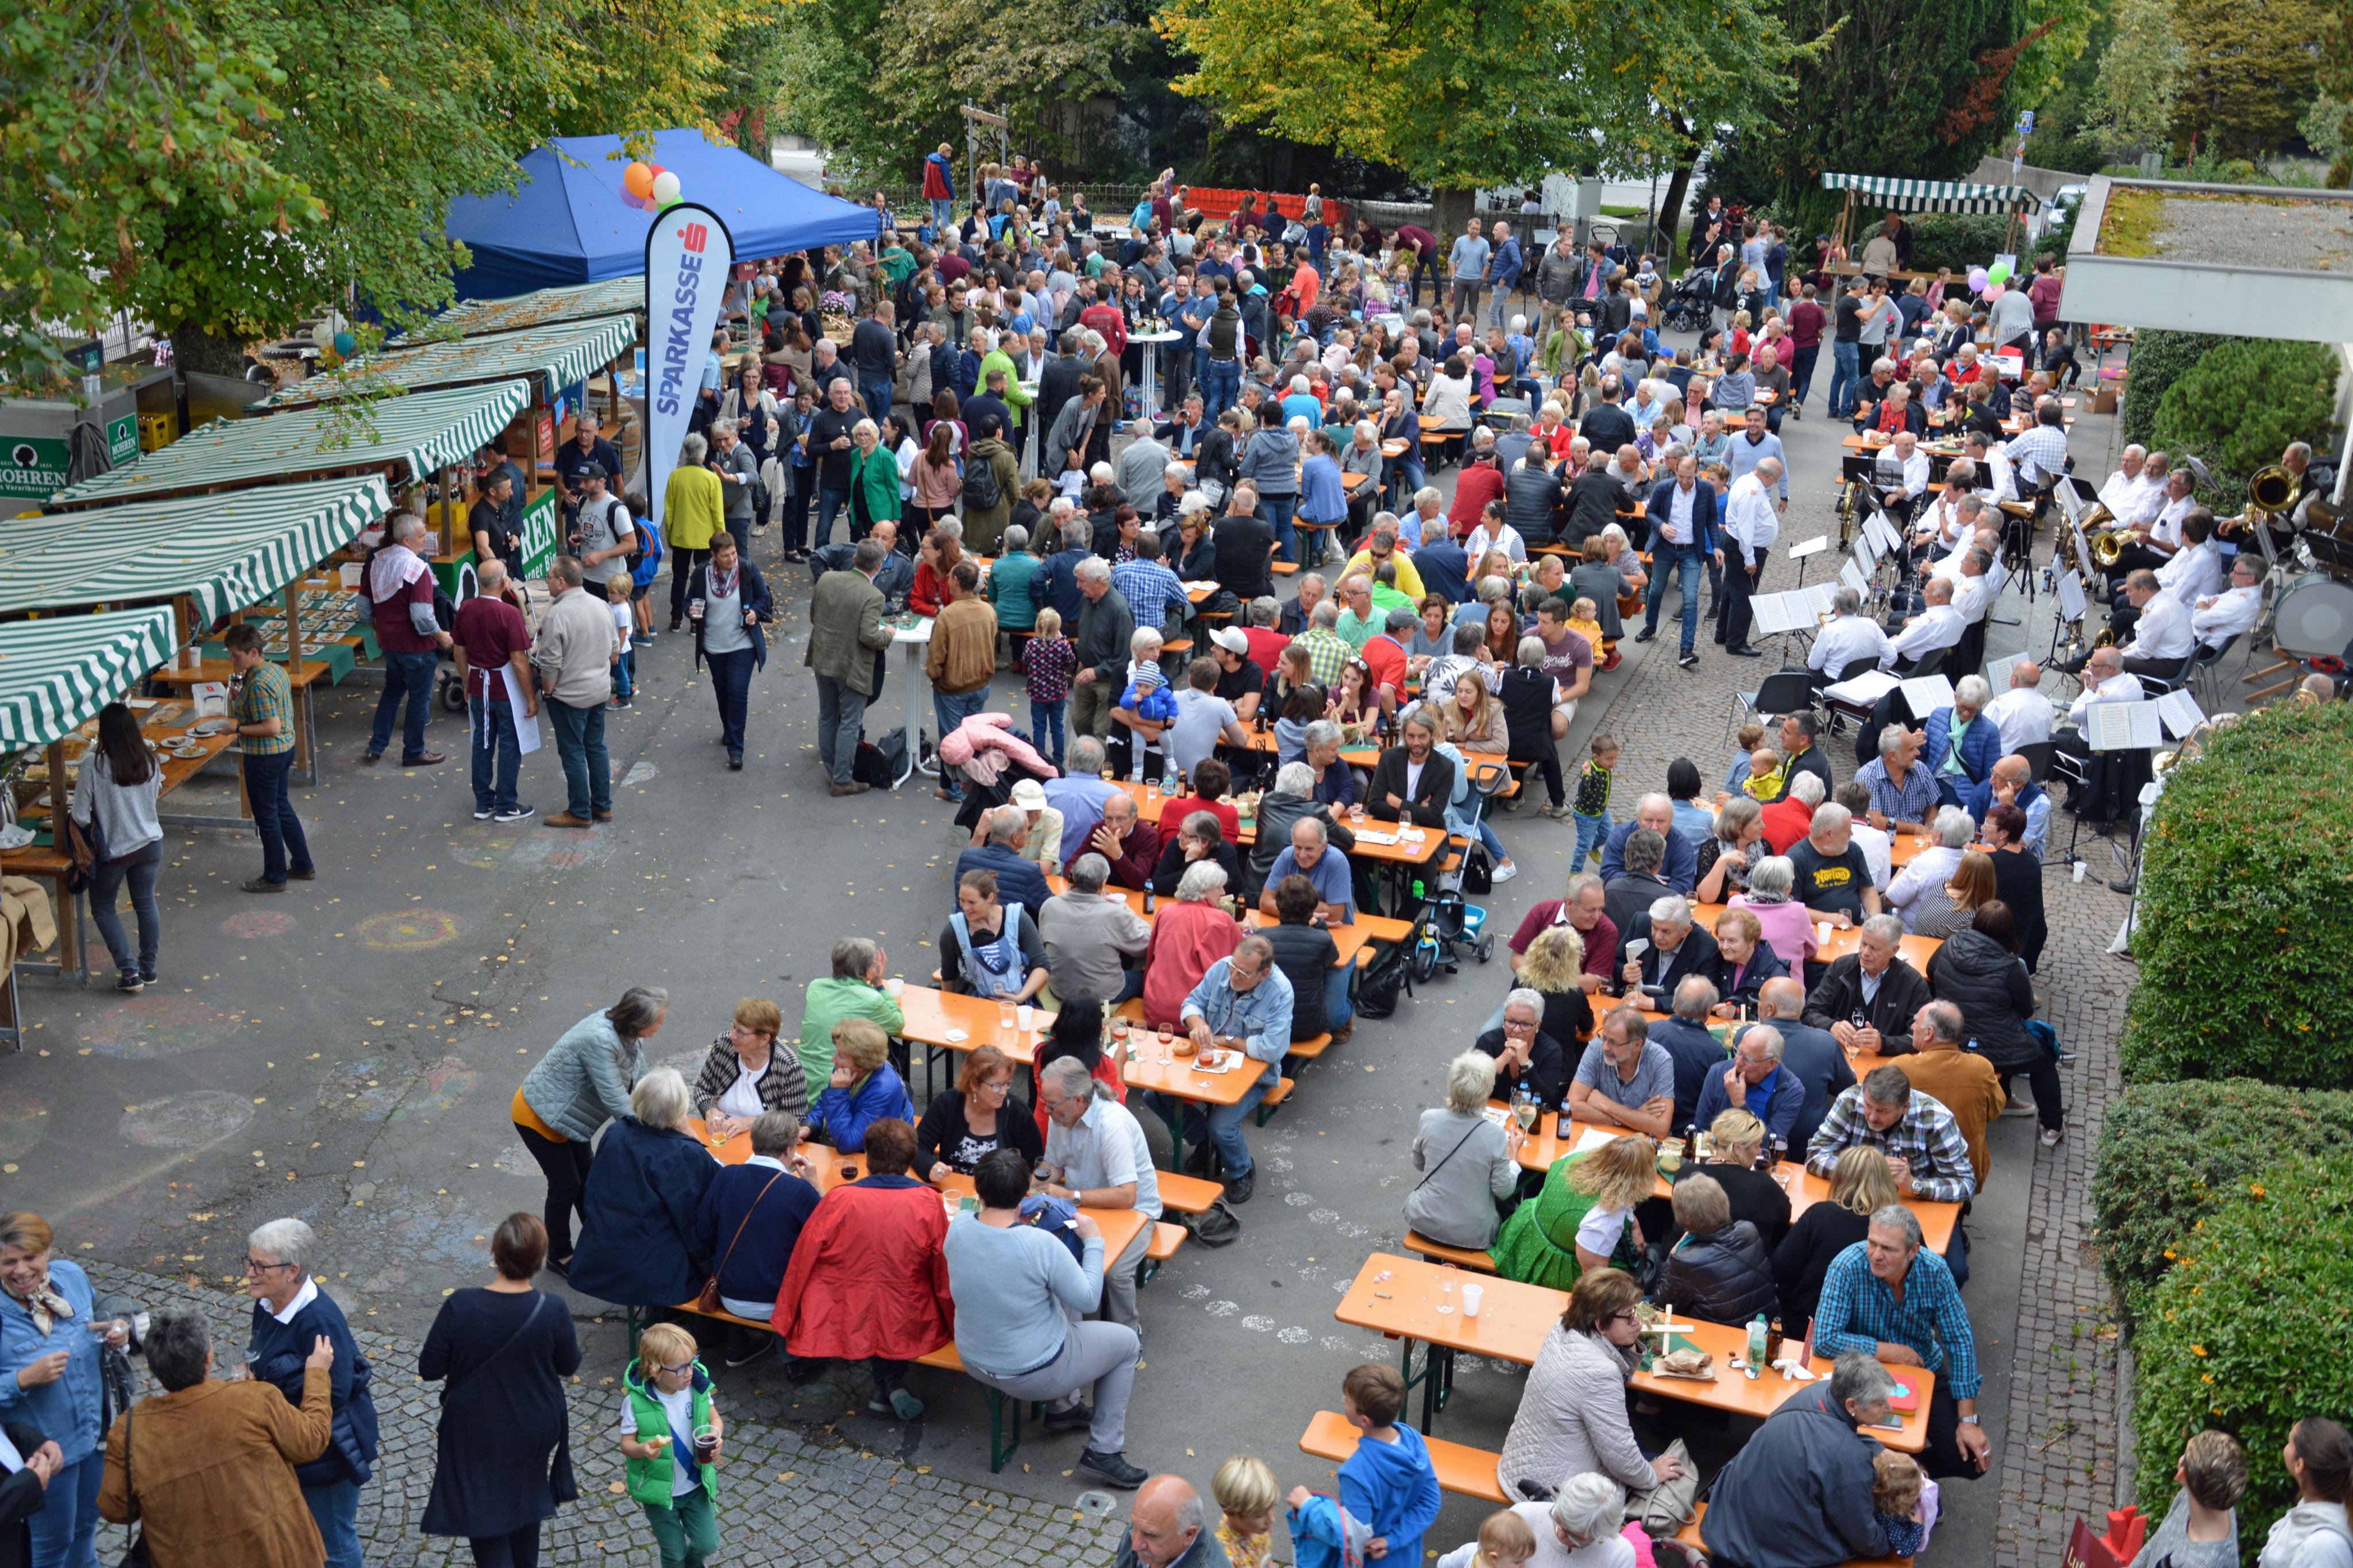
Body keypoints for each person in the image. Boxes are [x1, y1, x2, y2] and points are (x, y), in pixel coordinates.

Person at [944, 1149, 1150, 1490]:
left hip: (974, 1358)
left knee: (1056, 1300)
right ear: (1025, 1193)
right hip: (1030, 1372)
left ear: (978, 1190)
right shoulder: (1039, 1243)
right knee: (1128, 1344)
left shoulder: (960, 1226)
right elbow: (1088, 1297)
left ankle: (1063, 1407)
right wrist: (1094, 1241)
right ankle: (1104, 1451)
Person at [96, 1302, 333, 1568]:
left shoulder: (131, 1431)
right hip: (278, 1556)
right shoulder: (256, 1399)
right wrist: (317, 1374)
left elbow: (115, 1508)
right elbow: (311, 1440)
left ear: (155, 1367)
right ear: (209, 1356)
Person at [417, 1213, 582, 1568]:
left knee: (485, 1513)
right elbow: (569, 1365)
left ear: (494, 1253)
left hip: (475, 1432)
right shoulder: (552, 1310)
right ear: (540, 1260)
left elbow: (429, 1369)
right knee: (526, 1501)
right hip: (533, 1427)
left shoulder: (460, 1305)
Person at [772, 1117, 952, 1422]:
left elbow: (803, 1258)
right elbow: (942, 1269)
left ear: (867, 1158)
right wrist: (952, 1319)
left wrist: (787, 1317)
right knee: (890, 1312)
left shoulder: (841, 1198)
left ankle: (888, 1384)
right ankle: (890, 1382)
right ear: (910, 1160)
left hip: (849, 1307)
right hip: (909, 1311)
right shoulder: (928, 1202)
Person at [237, 1218, 377, 1568]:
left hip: (328, 1453)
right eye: (250, 1262)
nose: (251, 1273)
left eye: (261, 1266)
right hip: (295, 1444)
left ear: (292, 1271)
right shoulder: (266, 1303)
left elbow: (337, 1392)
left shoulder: (318, 1321)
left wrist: (266, 1394)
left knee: (333, 1545)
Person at [1814, 1207, 1989, 1480]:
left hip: (1924, 1371)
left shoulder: (1936, 1272)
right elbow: (1824, 1339)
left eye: (1888, 1249)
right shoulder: (1847, 1266)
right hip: (1863, 1374)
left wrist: (1968, 1421)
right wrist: (1890, 1351)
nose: (1876, 1254)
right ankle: (1889, 1478)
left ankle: (1898, 1474)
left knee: (1969, 1459)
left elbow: (1960, 1342)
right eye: (1872, 1243)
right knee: (1836, 1446)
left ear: (1913, 1251)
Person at [1496, 1265, 1685, 1505]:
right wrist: (1651, 1475)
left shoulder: (1564, 1328)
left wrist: (1628, 1345)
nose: (1637, 1321)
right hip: (1554, 1493)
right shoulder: (1600, 1373)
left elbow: (1615, 1385)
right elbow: (1621, 1456)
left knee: (1641, 1448)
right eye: (1629, 1315)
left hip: (1519, 1467)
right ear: (1600, 1324)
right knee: (1666, 1468)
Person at [512, 986, 664, 1276]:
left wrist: (662, 1111)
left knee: (589, 1182)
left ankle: (600, 1241)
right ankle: (559, 1255)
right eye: (658, 1022)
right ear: (639, 1022)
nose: (660, 1026)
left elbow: (641, 1077)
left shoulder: (626, 1033)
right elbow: (616, 1098)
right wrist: (649, 1135)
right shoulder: (600, 1040)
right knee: (566, 1185)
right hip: (538, 1116)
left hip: (570, 1120)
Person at [0, 1211, 124, 1568]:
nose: (21, 1270)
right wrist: (22, 1380)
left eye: (30, 1257)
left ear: (48, 1252)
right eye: (8, 1262)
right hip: (45, 1457)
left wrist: (115, 1329)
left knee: (85, 1528)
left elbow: (98, 1314)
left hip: (93, 1438)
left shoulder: (71, 1276)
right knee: (51, 1547)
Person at [1699, 1353, 1897, 1567]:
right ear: (1851, 1406)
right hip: (1768, 1554)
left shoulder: (1817, 1392)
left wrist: (1878, 1449)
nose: (1889, 1409)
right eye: (1880, 1404)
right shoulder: (1849, 1460)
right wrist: (1890, 1543)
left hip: (1727, 1523)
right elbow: (1863, 1535)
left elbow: (1835, 1435)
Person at [567, 1070, 716, 1309]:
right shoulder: (685, 1154)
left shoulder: (616, 1133)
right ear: (679, 1112)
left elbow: (593, 1190)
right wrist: (708, 1269)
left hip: (602, 1258)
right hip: (655, 1276)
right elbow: (695, 1222)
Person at [1162, 934, 1293, 1204]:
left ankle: (1242, 1169)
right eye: (1233, 966)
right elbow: (1191, 1004)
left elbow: (1271, 1050)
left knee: (1221, 1126)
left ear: (1263, 974)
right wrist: (1198, 1024)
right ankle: (1204, 1140)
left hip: (1253, 1073)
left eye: (1243, 973)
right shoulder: (1222, 968)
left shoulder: (1280, 992)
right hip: (1207, 1060)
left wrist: (1227, 1041)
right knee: (1158, 1095)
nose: (1234, 975)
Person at [1037, 1055, 1163, 1331]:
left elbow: (1127, 1196)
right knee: (1046, 1247)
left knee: (1116, 1272)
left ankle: (1129, 1333)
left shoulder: (1112, 1125)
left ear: (1078, 1100)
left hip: (1135, 1213)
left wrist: (1069, 1196)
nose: (1046, 1110)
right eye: (1045, 1101)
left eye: (1052, 1104)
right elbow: (1053, 1166)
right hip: (1084, 1205)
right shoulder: (1062, 1116)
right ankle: (1061, 1329)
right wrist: (1028, 1184)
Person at [692, 1110, 821, 1366]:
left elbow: (703, 1231)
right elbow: (829, 1239)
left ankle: (738, 1342)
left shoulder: (726, 1176)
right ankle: (796, 1357)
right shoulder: (800, 1191)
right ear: (789, 1150)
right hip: (779, 1301)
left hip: (727, 1293)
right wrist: (816, 1185)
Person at [1929, 902, 2059, 1147]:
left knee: (2007, 1034)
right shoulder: (2011, 968)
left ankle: (2004, 1097)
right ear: (2009, 931)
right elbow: (2028, 1014)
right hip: (1992, 1050)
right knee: (2041, 1055)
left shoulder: (1950, 945)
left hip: (1949, 1038)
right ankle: (2053, 1126)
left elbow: (1931, 970)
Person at [64, 702, 163, 992]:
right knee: (146, 904)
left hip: (116, 851)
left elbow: (80, 816)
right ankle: (148, 969)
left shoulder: (93, 766)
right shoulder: (150, 760)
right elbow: (153, 796)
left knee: (103, 907)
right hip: (150, 843)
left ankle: (129, 972)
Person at [615, 1321, 725, 1568]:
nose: (690, 1372)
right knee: (673, 1554)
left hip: (696, 1486)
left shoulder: (697, 1388)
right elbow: (626, 1444)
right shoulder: (636, 1403)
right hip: (659, 1493)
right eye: (681, 1368)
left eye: (693, 1362)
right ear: (655, 1370)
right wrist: (642, 1450)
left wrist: (715, 1436)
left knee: (708, 1544)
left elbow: (715, 1419)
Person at [1491, 1129, 1657, 1292]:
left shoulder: (1577, 1157)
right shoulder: (1605, 1217)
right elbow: (1593, 1275)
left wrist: (1634, 1224)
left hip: (1524, 1235)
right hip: (1554, 1266)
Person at [223, 624, 315, 894]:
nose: (233, 661)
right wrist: (241, 697)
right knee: (281, 807)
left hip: (265, 756)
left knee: (267, 816)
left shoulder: (259, 684)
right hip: (284, 750)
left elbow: (271, 726)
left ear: (253, 652)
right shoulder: (274, 670)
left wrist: (236, 728)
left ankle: (275, 877)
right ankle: (303, 864)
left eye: (237, 656)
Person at [1769, 1144, 1900, 1329]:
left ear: (1840, 1178)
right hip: (1874, 1330)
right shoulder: (1900, 1226)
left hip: (1808, 1324)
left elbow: (1781, 1267)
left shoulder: (1820, 1215)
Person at [1806, 1064, 1977, 1204]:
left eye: (1883, 1111)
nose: (1872, 1117)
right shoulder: (1850, 1101)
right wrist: (1867, 1168)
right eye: (1868, 1106)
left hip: (1908, 1206)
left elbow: (1966, 1184)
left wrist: (1914, 1185)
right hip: (1856, 1198)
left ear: (1905, 1107)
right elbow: (1814, 1155)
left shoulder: (1937, 1119)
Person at [1405, 1052, 1525, 1251]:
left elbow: (1419, 1164)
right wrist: (1514, 1158)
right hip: (1472, 1234)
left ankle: (1431, 1264)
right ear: (1487, 1091)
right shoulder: (1495, 1135)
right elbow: (1503, 1190)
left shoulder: (1429, 1119)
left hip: (1425, 1221)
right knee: (1510, 1211)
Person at [805, 537, 897, 797]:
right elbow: (870, 636)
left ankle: (834, 772)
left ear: (855, 559)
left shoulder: (826, 579)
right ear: (878, 567)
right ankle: (842, 780)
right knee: (849, 722)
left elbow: (814, 616)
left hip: (823, 659)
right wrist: (888, 633)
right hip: (851, 667)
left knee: (827, 716)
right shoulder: (874, 595)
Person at [1332, 1363, 1442, 1568]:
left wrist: (1309, 1507)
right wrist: (1393, 1540)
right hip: (1407, 1559)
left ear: (1365, 1420)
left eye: (1348, 1400)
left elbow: (1354, 1539)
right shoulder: (1413, 1440)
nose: (1343, 1400)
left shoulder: (1355, 1474)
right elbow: (1430, 1502)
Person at [452, 559, 537, 825]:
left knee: (482, 743)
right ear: (503, 582)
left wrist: (467, 682)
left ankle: (484, 802)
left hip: (478, 685)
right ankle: (506, 804)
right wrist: (530, 697)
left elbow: (459, 651)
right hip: (504, 688)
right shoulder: (509, 613)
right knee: (510, 744)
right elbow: (519, 660)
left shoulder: (466, 608)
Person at [531, 557, 614, 828]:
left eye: (549, 577)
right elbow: (615, 650)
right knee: (596, 747)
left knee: (573, 752)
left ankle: (580, 811)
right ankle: (602, 806)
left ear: (562, 582)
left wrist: (547, 691)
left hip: (570, 696)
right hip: (599, 691)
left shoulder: (557, 614)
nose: (547, 582)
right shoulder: (601, 605)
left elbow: (550, 663)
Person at [684, 530, 769, 771]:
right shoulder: (702, 574)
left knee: (738, 692)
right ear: (714, 556)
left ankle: (736, 749)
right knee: (723, 691)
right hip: (714, 645)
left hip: (743, 643)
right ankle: (729, 729)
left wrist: (755, 612)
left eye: (734, 553)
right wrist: (690, 611)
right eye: (726, 556)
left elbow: (764, 597)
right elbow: (688, 601)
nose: (732, 559)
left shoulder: (747, 569)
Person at [1654, 1171, 1777, 1321]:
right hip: (1762, 1325)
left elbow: (1659, 1305)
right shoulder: (1749, 1230)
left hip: (1718, 1331)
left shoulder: (1686, 1260)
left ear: (1683, 1219)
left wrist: (1671, 1259)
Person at [1803, 914, 1931, 1053]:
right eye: (1863, 944)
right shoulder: (1840, 968)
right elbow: (1810, 1012)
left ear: (1894, 950)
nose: (1865, 953)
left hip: (1884, 1063)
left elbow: (1921, 1038)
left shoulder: (1913, 984)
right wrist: (1831, 1026)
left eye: (1874, 949)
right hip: (1837, 1053)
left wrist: (1884, 1044)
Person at [917, 1044, 1046, 1179]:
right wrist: (930, 1168)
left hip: (1000, 1190)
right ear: (974, 1084)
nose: (1003, 1092)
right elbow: (919, 1146)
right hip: (952, 1188)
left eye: (1007, 1084)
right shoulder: (948, 1103)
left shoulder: (1018, 1113)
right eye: (997, 1086)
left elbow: (1034, 1164)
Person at [690, 998, 806, 1144]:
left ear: (764, 1040)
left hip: (764, 1145)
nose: (732, 1035)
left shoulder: (788, 1066)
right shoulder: (725, 1045)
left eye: (741, 1033)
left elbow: (795, 1119)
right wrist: (710, 1111)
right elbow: (702, 1089)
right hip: (721, 1139)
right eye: (734, 1027)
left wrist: (753, 1123)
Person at [2124, 1429, 2246, 1568]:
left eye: (2185, 1455)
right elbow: (2158, 1540)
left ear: (2182, 1474)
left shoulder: (2201, 1564)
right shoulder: (2207, 1497)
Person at [939, 867, 1050, 1003]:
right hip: (976, 1005)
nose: (965, 907)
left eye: (972, 902)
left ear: (990, 897)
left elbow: (1042, 966)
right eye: (962, 900)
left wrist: (1020, 998)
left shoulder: (1018, 919)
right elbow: (949, 977)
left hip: (1019, 1004)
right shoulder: (953, 932)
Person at [806, 1018, 916, 1154]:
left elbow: (847, 1144)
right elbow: (825, 1104)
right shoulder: (847, 1069)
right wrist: (809, 1126)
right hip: (847, 1138)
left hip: (885, 1154)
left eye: (840, 1055)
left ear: (861, 1064)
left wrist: (839, 1093)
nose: (833, 1059)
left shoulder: (883, 1090)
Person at [2258, 1418, 2351, 1568]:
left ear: (2299, 1465)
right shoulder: (2311, 1515)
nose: (2285, 1447)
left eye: (2289, 1442)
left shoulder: (2324, 1546)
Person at [1788, 802, 1882, 929]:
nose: (1852, 834)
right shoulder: (1796, 859)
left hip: (1852, 931)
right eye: (1847, 831)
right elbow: (1790, 907)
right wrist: (1827, 919)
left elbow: (1867, 889)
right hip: (1814, 931)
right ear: (1829, 834)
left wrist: (1874, 919)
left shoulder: (1852, 850)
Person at [1116, 1473, 1230, 1568]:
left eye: (1151, 1535)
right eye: (1134, 1526)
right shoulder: (1144, 1523)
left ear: (1188, 1535)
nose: (1135, 1545)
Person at [1365, 705, 1455, 825]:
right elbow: (1374, 805)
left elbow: (1433, 816)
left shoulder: (1445, 767)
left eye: (1422, 737)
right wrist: (1418, 810)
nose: (1416, 743)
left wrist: (1397, 803)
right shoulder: (1388, 758)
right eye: (1411, 736)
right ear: (1404, 735)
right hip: (1389, 828)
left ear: (1433, 735)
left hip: (1426, 831)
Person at [1600, 794, 1699, 894]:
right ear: (1638, 819)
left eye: (1661, 821)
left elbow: (1683, 888)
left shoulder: (1683, 848)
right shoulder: (1620, 837)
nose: (1654, 828)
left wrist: (1647, 886)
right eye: (1649, 820)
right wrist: (1650, 884)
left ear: (1671, 821)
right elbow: (1608, 875)